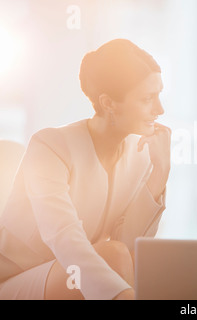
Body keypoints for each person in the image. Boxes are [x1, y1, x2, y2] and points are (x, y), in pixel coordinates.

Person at [0, 39, 171, 300]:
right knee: (111, 258)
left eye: (159, 96)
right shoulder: (49, 146)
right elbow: (65, 239)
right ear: (108, 103)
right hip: (14, 279)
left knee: (122, 256)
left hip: (73, 275)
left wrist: (160, 173)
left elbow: (126, 245)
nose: (160, 110)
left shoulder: (140, 157)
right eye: (148, 98)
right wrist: (121, 296)